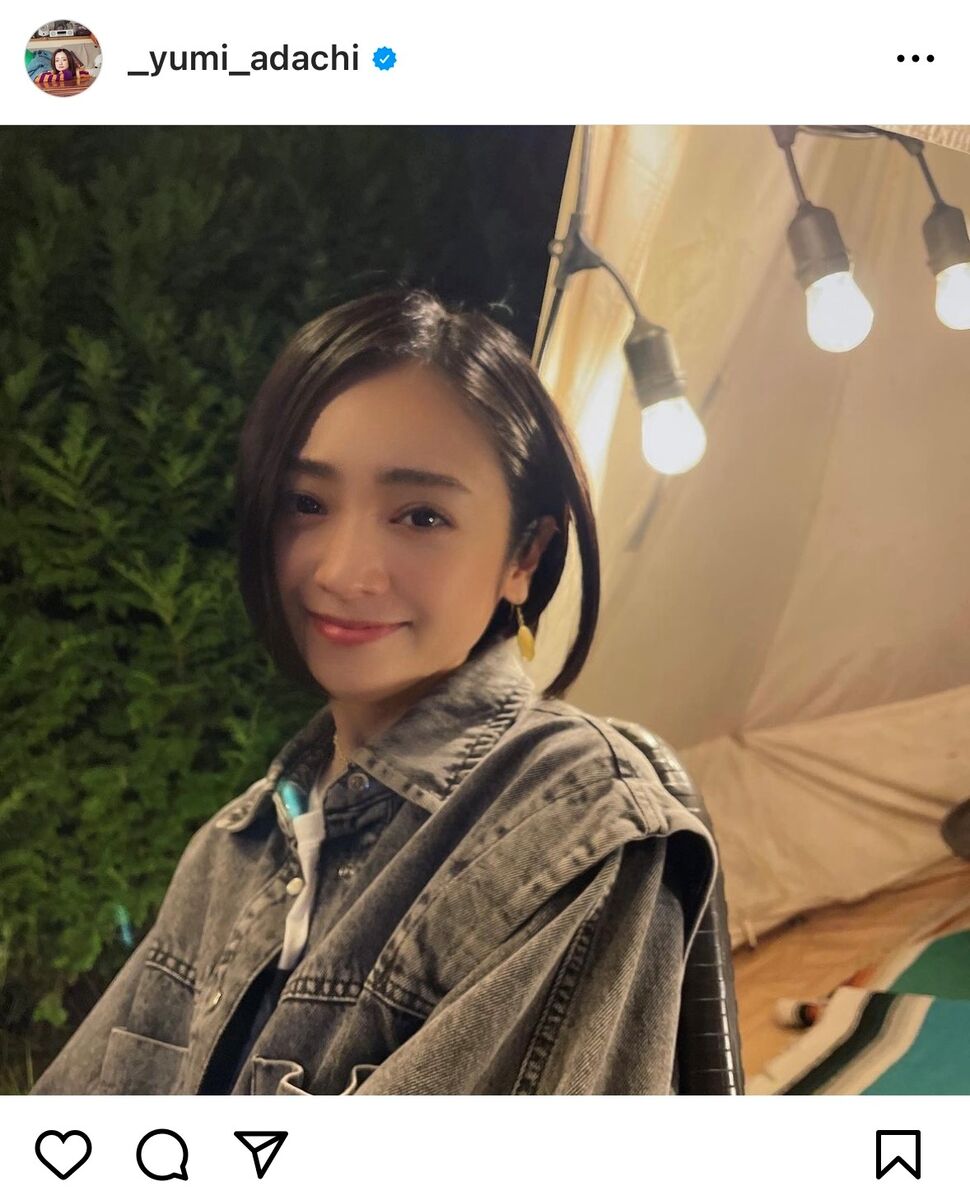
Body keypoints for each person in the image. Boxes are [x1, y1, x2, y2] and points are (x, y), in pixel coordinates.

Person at [32, 289, 716, 1095]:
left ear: (525, 555)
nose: (342, 571)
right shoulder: (232, 849)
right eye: (306, 503)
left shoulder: (570, 827)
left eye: (421, 516)